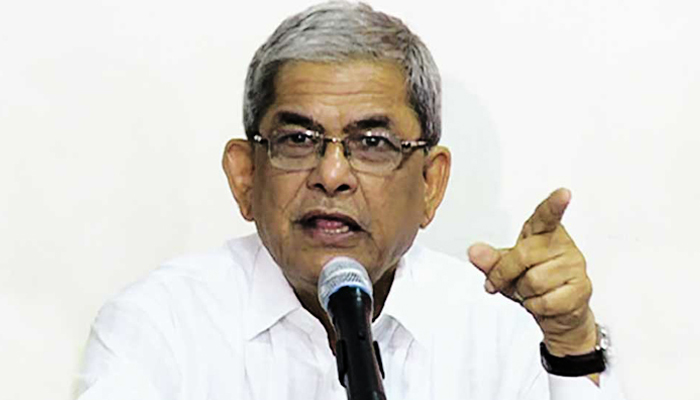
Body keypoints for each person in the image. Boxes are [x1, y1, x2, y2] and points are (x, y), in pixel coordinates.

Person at [76, 2, 626, 399]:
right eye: (298, 140)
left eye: (373, 143)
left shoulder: (497, 332)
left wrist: (571, 342)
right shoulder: (161, 326)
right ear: (245, 177)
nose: (332, 175)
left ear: (430, 184)